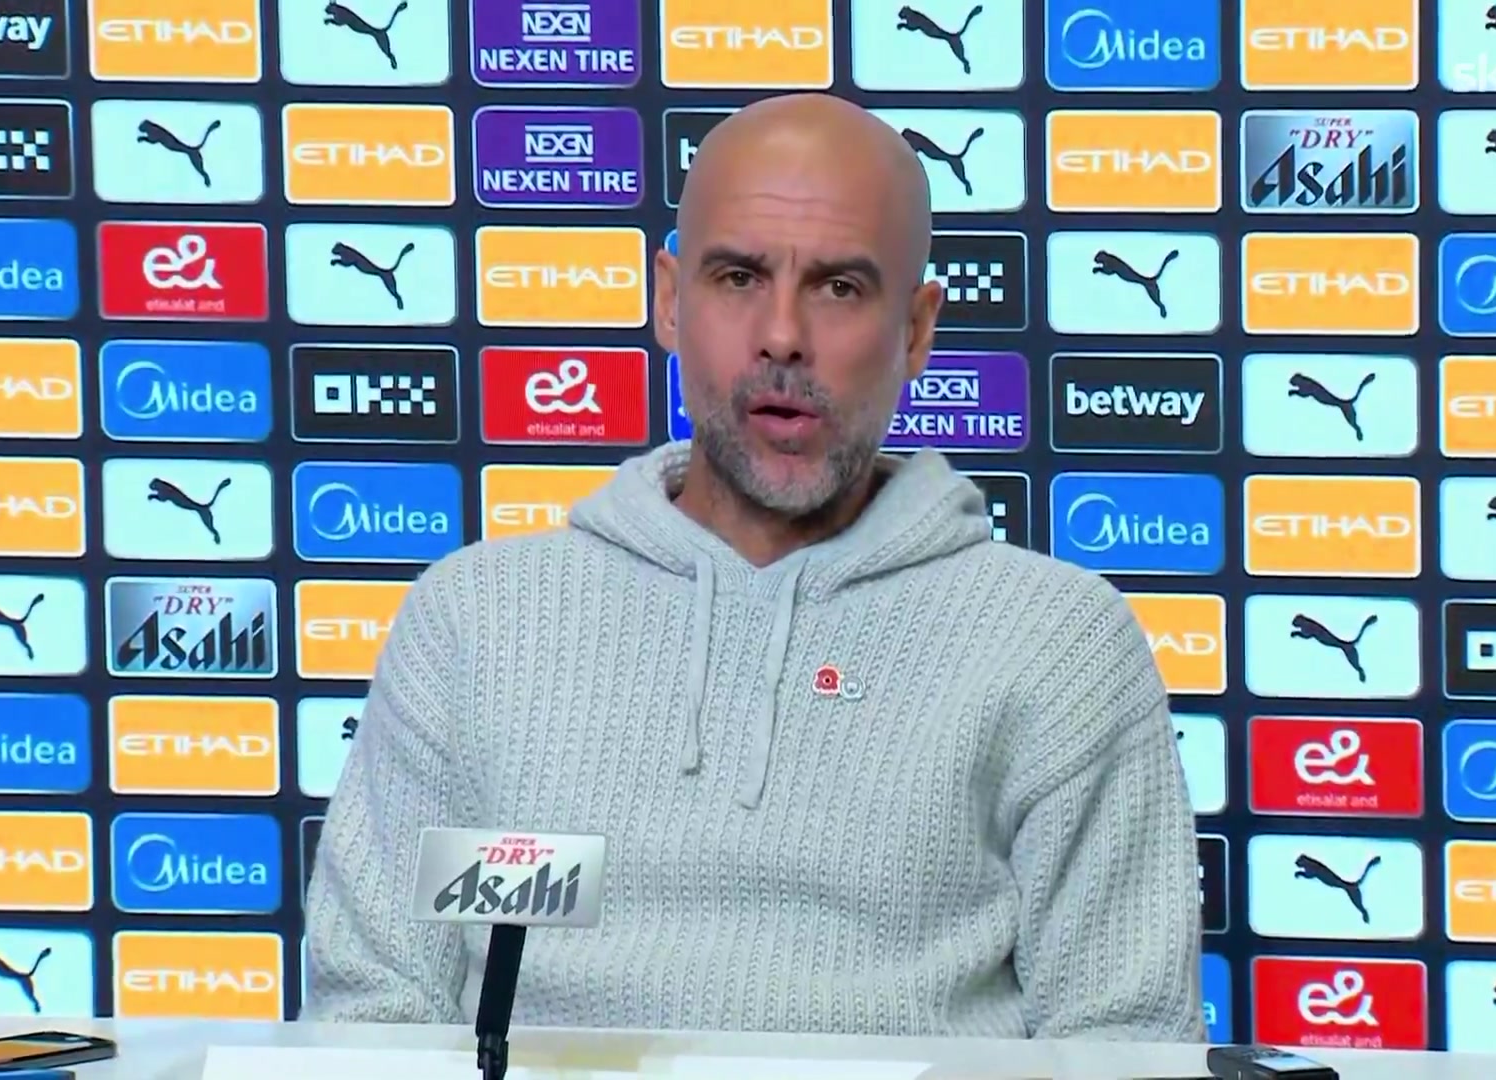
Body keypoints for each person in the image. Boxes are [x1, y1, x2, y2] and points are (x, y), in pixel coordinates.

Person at [301, 93, 1205, 1041]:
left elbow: (1126, 1042)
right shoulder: (476, 621)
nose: (782, 336)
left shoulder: (1057, 643)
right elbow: (373, 1016)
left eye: (839, 288)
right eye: (738, 277)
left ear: (916, 330)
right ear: (669, 300)